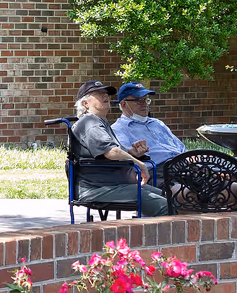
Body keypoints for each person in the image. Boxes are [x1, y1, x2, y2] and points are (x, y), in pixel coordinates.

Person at [69, 80, 169, 216]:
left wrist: (131, 152)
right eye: (98, 94)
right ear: (85, 103)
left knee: (174, 201)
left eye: (105, 93)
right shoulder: (89, 122)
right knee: (166, 207)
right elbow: (111, 152)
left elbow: (114, 151)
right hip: (98, 189)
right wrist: (140, 164)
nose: (105, 96)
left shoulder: (101, 122)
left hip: (116, 185)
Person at [111, 82, 188, 179]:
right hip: (158, 172)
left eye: (146, 100)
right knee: (189, 191)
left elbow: (181, 147)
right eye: (138, 101)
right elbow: (126, 160)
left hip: (184, 165)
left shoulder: (157, 123)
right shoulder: (118, 129)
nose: (144, 104)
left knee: (211, 181)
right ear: (123, 104)